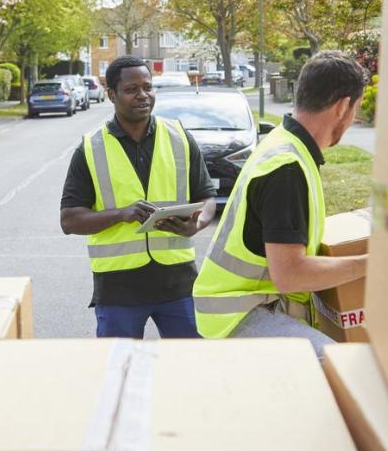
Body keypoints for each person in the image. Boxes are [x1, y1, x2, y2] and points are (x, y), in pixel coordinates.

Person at [192, 51, 368, 354]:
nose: (354, 120)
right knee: (342, 369)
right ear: (342, 107)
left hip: (252, 304)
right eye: (357, 111)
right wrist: (373, 265)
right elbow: (291, 275)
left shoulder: (285, 144)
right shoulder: (286, 167)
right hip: (238, 314)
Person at [60, 56, 218, 338]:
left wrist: (197, 223)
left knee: (192, 370)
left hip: (178, 284)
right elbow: (69, 220)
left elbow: (207, 199)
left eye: (148, 87)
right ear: (111, 94)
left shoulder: (179, 137)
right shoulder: (90, 148)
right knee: (119, 372)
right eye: (132, 89)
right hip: (118, 291)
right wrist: (121, 214)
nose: (142, 95)